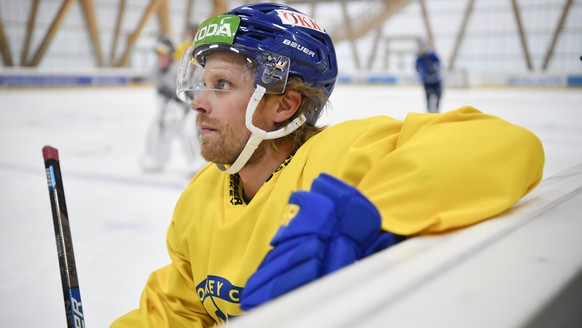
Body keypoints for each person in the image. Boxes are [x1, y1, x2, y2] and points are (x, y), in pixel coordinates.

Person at [112, 4, 544, 327]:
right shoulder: (199, 197)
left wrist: (362, 217)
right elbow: (175, 310)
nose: (199, 103)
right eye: (201, 84)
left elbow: (506, 144)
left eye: (221, 85)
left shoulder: (340, 156)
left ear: (284, 104)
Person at [139, 35, 205, 173]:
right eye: (158, 55)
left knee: (188, 130)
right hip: (171, 108)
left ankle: (197, 161)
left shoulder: (179, 69)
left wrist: (184, 108)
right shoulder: (157, 70)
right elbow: (160, 93)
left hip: (189, 108)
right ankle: (156, 158)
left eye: (163, 55)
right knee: (156, 126)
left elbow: (192, 91)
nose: (160, 58)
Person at [415, 40, 443, 113]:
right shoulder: (419, 58)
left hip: (436, 81)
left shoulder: (433, 55)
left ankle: (437, 110)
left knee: (438, 95)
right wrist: (424, 72)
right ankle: (428, 111)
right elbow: (417, 68)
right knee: (428, 97)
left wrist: (434, 68)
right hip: (427, 81)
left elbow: (439, 64)